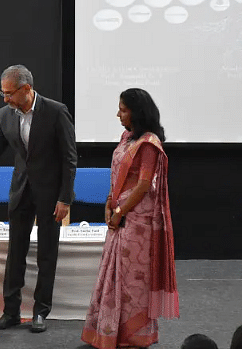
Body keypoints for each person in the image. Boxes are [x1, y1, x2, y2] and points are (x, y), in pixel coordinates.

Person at [0, 64, 77, 333]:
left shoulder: (56, 112)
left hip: (50, 194)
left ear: (27, 89)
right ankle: (10, 312)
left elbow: (69, 158)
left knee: (46, 253)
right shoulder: (4, 115)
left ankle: (40, 312)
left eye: (9, 93)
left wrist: (65, 198)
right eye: (3, 93)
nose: (5, 99)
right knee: (15, 253)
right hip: (21, 191)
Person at [81, 88, 180, 349]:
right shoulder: (127, 138)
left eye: (123, 110)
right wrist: (109, 203)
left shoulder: (148, 144)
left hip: (137, 224)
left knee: (132, 282)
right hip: (119, 216)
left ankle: (132, 336)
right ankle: (109, 332)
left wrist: (120, 211)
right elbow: (117, 175)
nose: (118, 114)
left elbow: (144, 184)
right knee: (114, 278)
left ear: (137, 113)